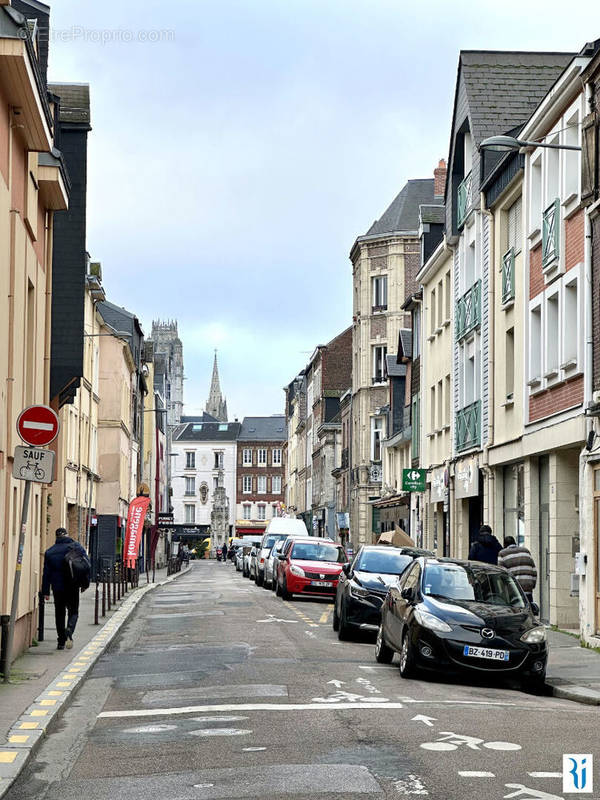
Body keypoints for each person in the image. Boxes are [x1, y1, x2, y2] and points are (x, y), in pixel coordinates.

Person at [42, 528, 90, 650]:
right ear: (67, 535)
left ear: (56, 537)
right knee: (73, 611)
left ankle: (61, 641)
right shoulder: (76, 547)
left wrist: (46, 591)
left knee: (59, 614)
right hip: (73, 586)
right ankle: (70, 628)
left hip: (57, 588)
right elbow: (85, 566)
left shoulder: (50, 552)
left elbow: (46, 573)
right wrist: (85, 584)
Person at [498, 536, 537, 602]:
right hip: (527, 588)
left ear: (504, 545)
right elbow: (534, 571)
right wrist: (532, 585)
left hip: (514, 590)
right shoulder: (526, 551)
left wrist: (503, 591)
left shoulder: (502, 553)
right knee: (529, 609)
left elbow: (501, 574)